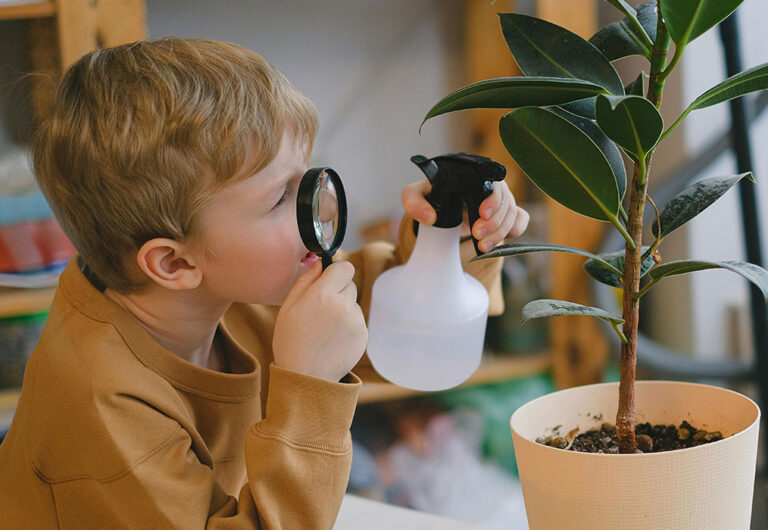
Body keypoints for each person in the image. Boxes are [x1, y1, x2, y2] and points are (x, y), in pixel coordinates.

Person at [0, 38, 528, 528]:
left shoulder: (215, 282)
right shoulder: (101, 406)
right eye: (280, 199)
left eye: (307, 176)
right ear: (173, 264)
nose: (317, 207)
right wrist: (310, 387)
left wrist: (449, 238)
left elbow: (377, 324)